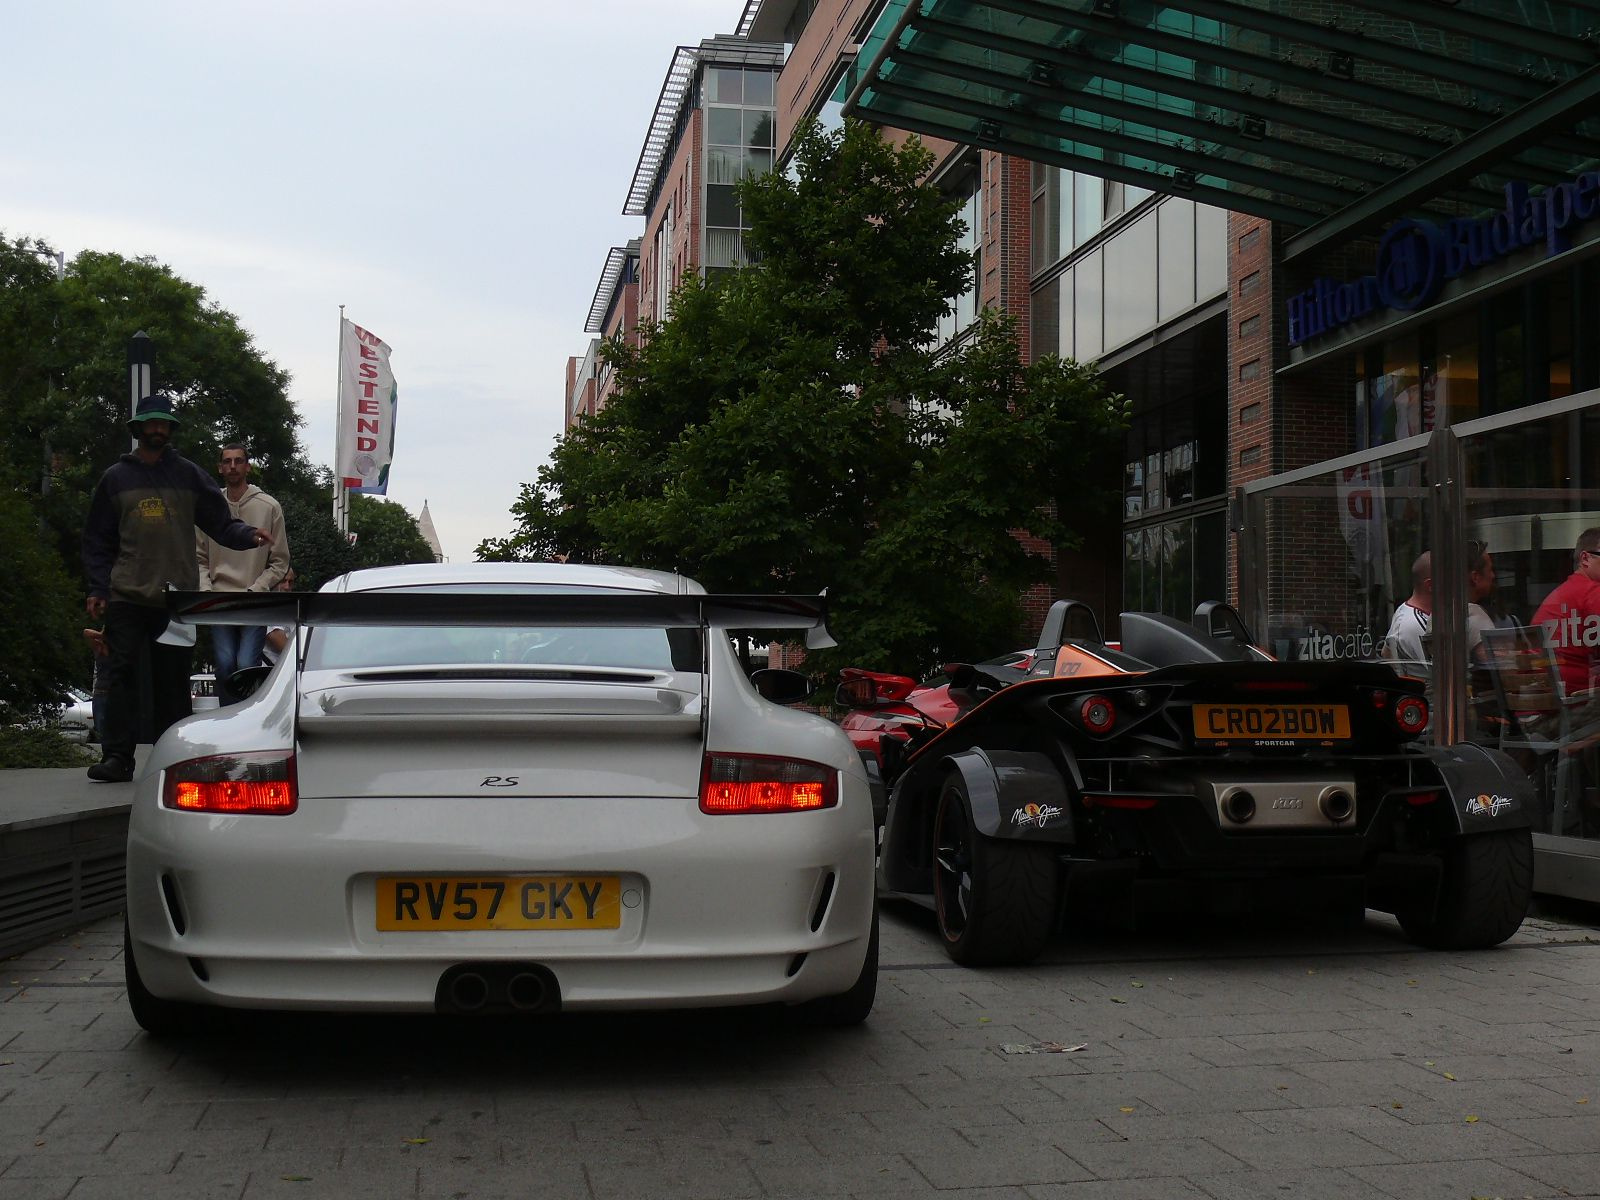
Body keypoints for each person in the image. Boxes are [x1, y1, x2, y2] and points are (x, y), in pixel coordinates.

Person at [81, 394, 276, 783]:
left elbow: (220, 523)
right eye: (151, 424)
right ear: (138, 429)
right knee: (119, 676)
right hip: (127, 593)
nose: (157, 430)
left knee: (172, 684)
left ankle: (172, 761)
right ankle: (118, 757)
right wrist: (96, 587)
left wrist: (248, 535)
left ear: (170, 430)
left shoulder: (188, 475)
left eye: (164, 424)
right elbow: (97, 538)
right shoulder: (116, 478)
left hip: (175, 599)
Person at [197, 441, 289, 702]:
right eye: (228, 461)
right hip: (219, 598)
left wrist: (257, 588)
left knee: (247, 664)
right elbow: (199, 556)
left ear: (248, 467)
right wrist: (206, 591)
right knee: (225, 664)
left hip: (254, 599)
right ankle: (228, 721)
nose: (233, 466)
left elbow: (280, 560)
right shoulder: (209, 507)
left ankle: (248, 717)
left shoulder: (269, 507)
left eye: (239, 461)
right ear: (220, 468)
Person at [1532, 527, 1600, 696]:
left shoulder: (1561, 594)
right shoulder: (1592, 592)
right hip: (1573, 707)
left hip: (1538, 707)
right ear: (1585, 558)